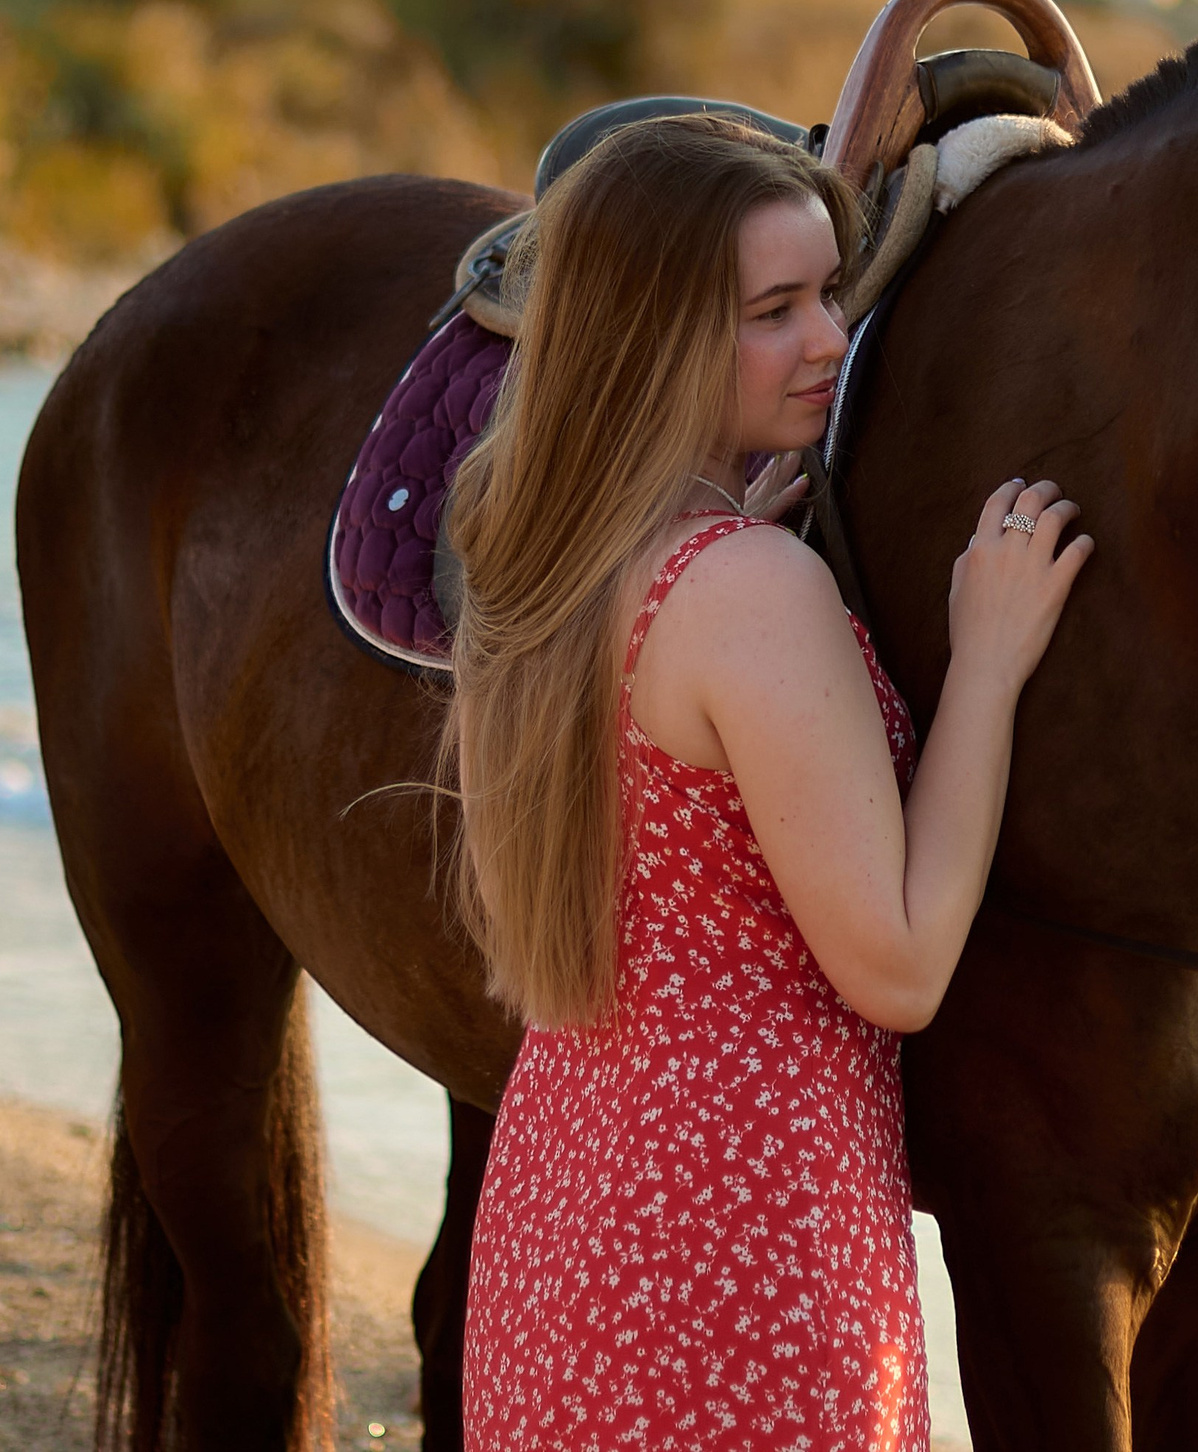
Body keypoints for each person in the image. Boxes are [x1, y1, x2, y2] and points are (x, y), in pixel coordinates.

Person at [445, 113, 1091, 1450]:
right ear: (653, 337)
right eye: (774, 310)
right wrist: (988, 659)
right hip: (740, 1226)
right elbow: (900, 968)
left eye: (830, 294)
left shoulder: (558, 563)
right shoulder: (746, 588)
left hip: (566, 1207)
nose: (829, 340)